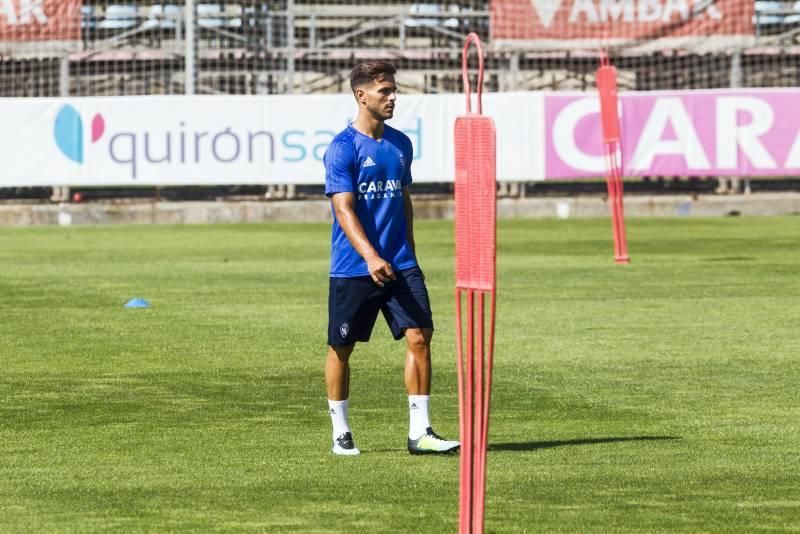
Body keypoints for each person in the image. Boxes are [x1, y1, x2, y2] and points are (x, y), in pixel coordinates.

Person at [323, 60, 460, 456]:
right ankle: (341, 432)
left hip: (400, 264)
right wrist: (369, 256)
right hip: (354, 268)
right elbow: (343, 209)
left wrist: (410, 255)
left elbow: (404, 199)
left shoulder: (401, 144)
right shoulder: (342, 149)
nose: (393, 97)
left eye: (394, 89)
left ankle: (421, 432)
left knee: (420, 337)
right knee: (341, 349)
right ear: (361, 96)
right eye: (385, 91)